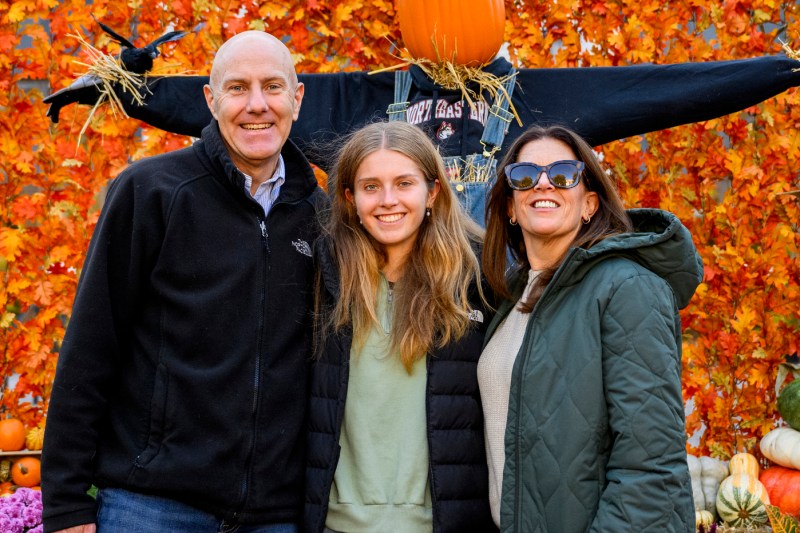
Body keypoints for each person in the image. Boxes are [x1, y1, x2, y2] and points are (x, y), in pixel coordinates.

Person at [41, 31, 325, 533]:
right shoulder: (151, 192)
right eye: (237, 88)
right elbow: (91, 346)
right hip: (152, 507)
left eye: (272, 87)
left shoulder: (319, 217)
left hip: (276, 515)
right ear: (210, 101)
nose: (257, 105)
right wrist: (66, 502)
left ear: (296, 99)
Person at [43, 39, 800, 225]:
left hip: (493, 311)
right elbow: (247, 103)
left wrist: (781, 68)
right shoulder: (363, 98)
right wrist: (125, 90)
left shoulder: (536, 94)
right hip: (383, 319)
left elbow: (666, 89)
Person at [478, 125, 702, 531]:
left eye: (563, 174)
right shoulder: (509, 299)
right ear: (510, 206)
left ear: (590, 205)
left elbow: (650, 468)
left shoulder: (626, 288)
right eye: (524, 175)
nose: (543, 183)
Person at [305, 121, 496, 533]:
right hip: (336, 524)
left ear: (432, 191)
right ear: (349, 197)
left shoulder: (478, 276)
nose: (387, 200)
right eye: (370, 186)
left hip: (441, 522)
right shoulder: (323, 273)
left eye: (404, 183)